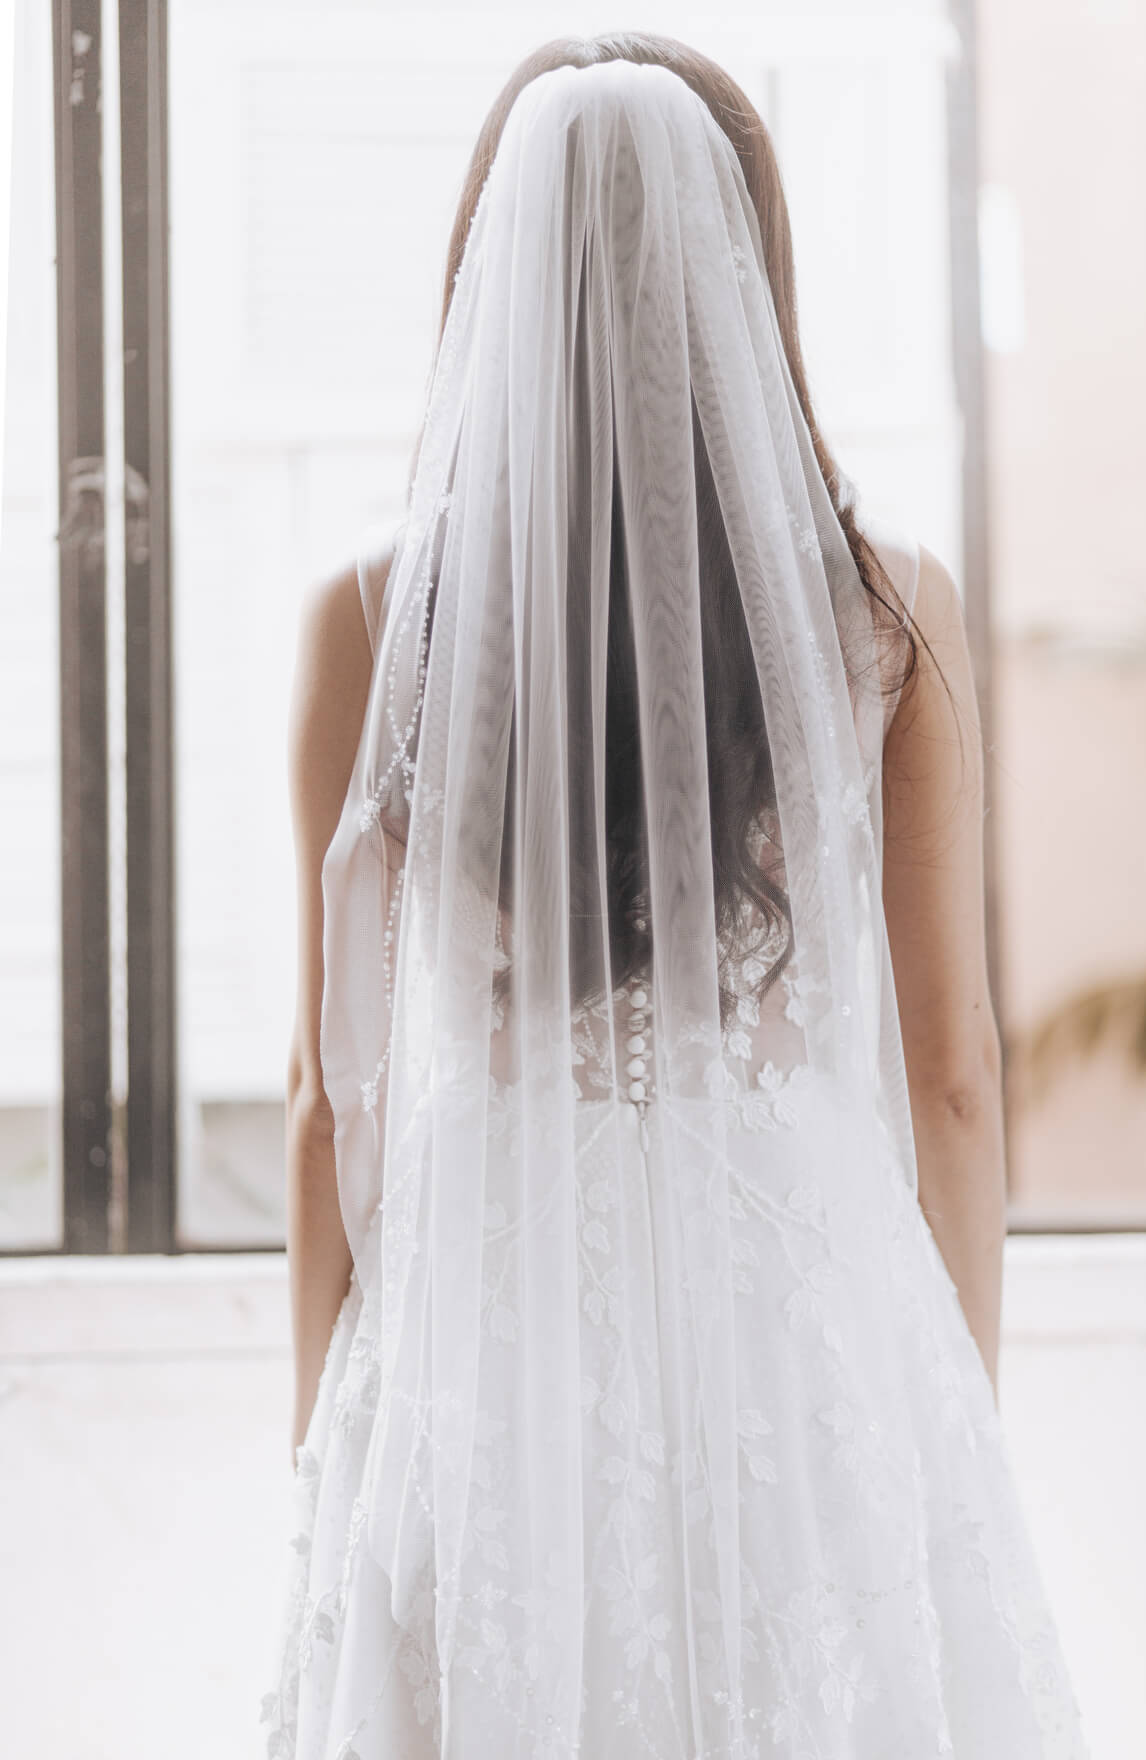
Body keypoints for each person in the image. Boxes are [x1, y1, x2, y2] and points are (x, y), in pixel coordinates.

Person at [262, 35, 1089, 1759]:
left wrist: (320, 1439)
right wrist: (943, 1409)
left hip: (487, 1342)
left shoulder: (364, 616)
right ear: (740, 273)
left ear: (489, 277)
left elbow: (323, 1105)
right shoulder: (884, 602)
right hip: (796, 1321)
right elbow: (949, 1073)